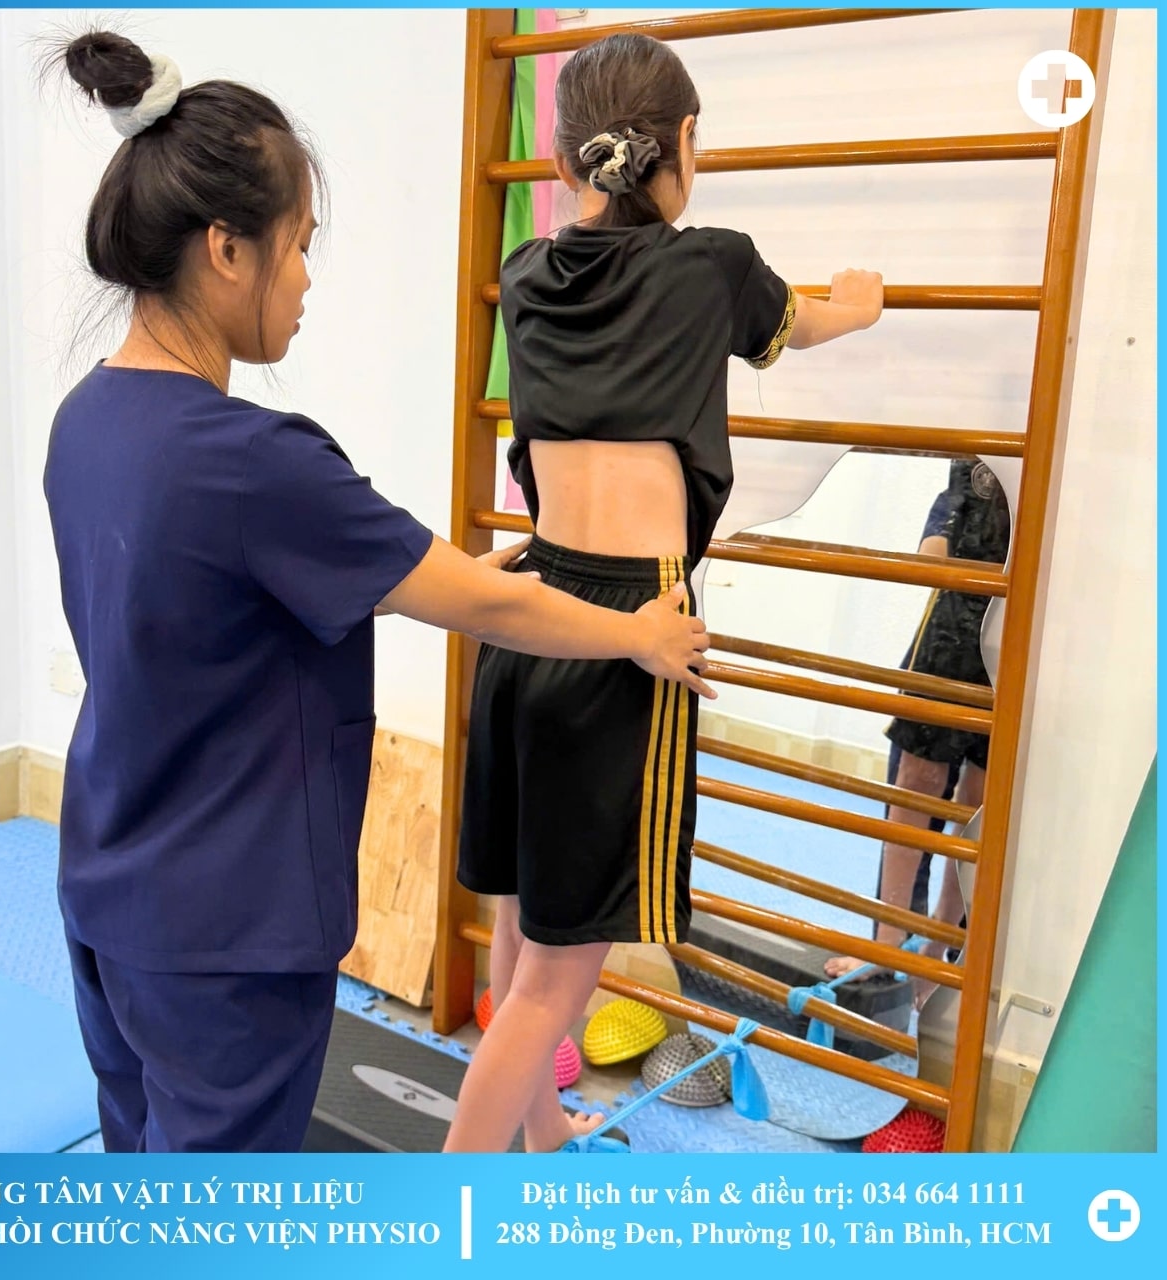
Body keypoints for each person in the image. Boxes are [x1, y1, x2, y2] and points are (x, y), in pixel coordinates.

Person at [41, 31, 716, 1154]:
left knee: (140, 1166)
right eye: (298, 246)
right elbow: (482, 606)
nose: (305, 279)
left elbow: (271, 584)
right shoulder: (254, 458)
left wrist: (464, 576)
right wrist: (636, 631)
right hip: (229, 934)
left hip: (107, 889)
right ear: (224, 248)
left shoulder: (88, 420)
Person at [444, 32, 885, 1153]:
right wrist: (858, 304)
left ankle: (543, 1136)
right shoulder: (713, 267)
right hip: (631, 631)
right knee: (558, 981)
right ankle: (443, 1206)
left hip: (524, 612)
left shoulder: (526, 276)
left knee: (520, 929)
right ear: (680, 144)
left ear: (561, 163)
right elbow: (803, 324)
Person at [824, 457, 1010, 983]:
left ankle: (939, 946)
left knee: (977, 800)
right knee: (915, 784)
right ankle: (887, 940)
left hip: (1020, 624)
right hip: (953, 620)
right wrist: (936, 541)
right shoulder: (976, 449)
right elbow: (947, 520)